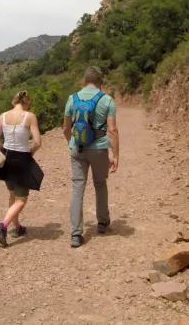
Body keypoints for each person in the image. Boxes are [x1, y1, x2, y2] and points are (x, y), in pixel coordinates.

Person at [63, 66, 119, 248]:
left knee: (77, 188)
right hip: (99, 149)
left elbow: (65, 128)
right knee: (100, 184)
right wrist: (116, 155)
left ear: (84, 80)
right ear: (100, 81)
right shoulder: (107, 100)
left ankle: (76, 234)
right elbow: (112, 130)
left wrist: (72, 143)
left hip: (77, 148)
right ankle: (102, 223)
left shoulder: (72, 98)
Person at [0, 90, 43, 247]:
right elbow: (37, 141)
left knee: (12, 194)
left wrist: (3, 150)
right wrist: (29, 153)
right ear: (27, 102)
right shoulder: (29, 116)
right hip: (21, 158)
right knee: (22, 199)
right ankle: (2, 225)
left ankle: (17, 227)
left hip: (6, 158)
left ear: (14, 101)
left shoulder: (3, 116)